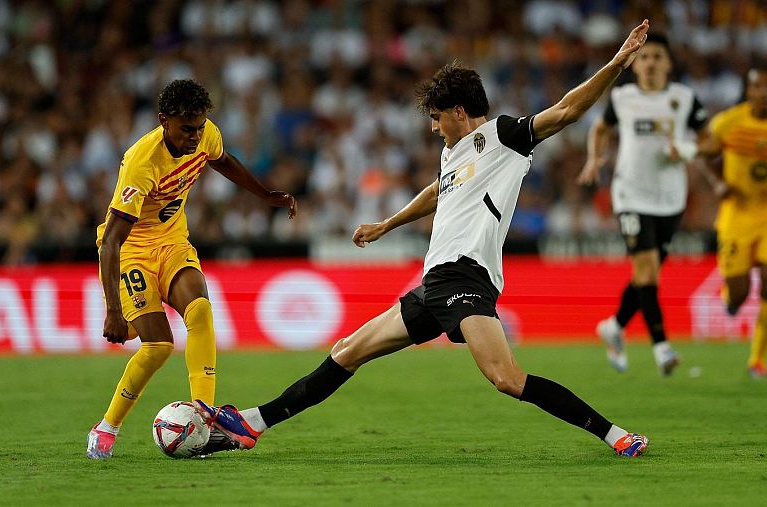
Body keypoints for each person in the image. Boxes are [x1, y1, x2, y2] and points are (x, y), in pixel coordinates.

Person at [195, 20, 654, 457]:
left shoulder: (504, 136)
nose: (433, 128)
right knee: (347, 351)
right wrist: (387, 224)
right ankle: (252, 423)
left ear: (459, 111)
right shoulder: (452, 154)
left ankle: (616, 435)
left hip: (466, 277)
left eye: (437, 118)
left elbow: (568, 109)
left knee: (507, 379)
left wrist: (618, 61)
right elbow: (438, 191)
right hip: (435, 283)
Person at [85, 79, 296, 459]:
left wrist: (265, 195)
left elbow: (224, 161)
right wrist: (113, 311)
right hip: (133, 251)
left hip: (173, 243)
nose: (195, 136)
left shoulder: (205, 133)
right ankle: (107, 426)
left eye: (200, 127)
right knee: (158, 346)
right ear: (164, 121)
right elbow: (113, 241)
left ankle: (205, 413)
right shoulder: (141, 162)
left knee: (199, 308)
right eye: (186, 129)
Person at [577, 34, 708, 376]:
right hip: (630, 195)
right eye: (644, 56)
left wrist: (689, 149)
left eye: (656, 57)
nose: (649, 62)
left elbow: (710, 139)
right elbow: (600, 128)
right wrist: (594, 159)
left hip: (671, 198)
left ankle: (615, 326)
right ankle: (662, 347)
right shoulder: (623, 97)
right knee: (648, 270)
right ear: (635, 64)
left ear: (668, 63)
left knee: (645, 274)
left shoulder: (684, 98)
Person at [697, 67, 767, 378]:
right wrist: (718, 183)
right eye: (756, 87)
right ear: (748, 91)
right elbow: (703, 155)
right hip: (737, 213)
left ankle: (758, 360)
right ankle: (730, 299)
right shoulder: (728, 122)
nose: (763, 92)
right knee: (739, 292)